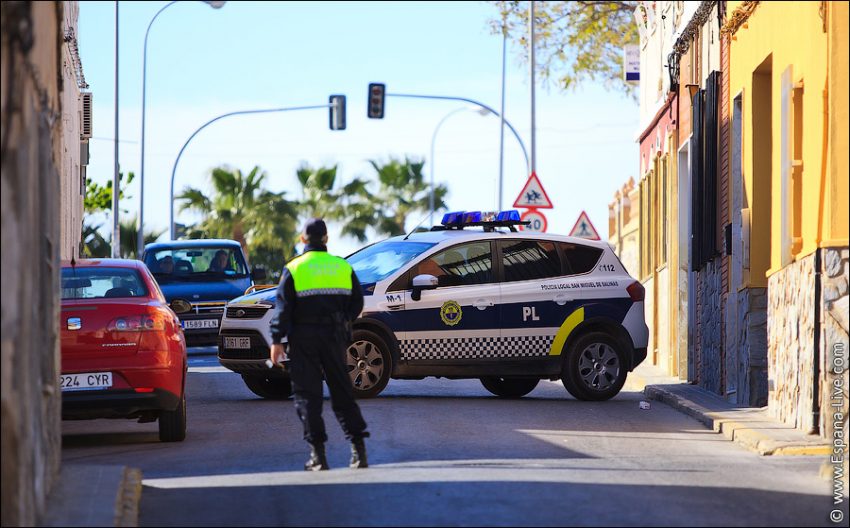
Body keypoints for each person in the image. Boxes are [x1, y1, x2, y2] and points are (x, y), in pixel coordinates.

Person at [269, 218, 369, 471]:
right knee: (342, 392)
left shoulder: (294, 268)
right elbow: (357, 302)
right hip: (335, 335)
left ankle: (318, 456)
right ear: (326, 239)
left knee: (307, 396)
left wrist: (276, 340)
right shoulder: (342, 267)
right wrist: (344, 321)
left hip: (303, 338)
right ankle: (358, 451)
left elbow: (283, 308)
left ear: (303, 239)